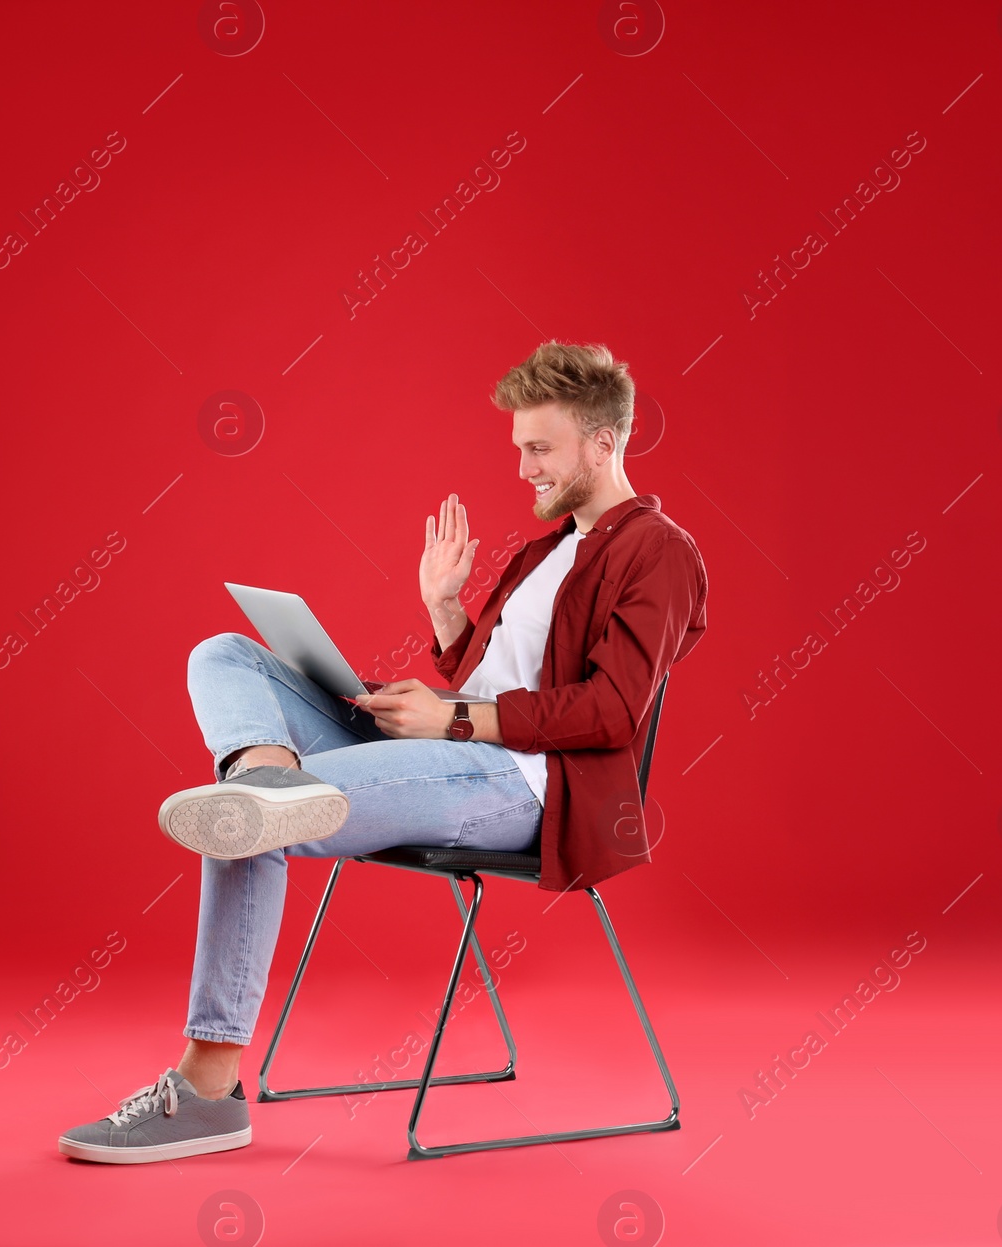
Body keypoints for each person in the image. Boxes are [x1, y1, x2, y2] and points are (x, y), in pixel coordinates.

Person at [57, 341, 708, 1163]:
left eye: (539, 449)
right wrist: (444, 613)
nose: (524, 470)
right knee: (225, 653)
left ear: (604, 443)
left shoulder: (659, 551)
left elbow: (612, 712)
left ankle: (207, 1089)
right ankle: (268, 773)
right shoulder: (547, 552)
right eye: (518, 450)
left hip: (525, 788)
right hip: (460, 748)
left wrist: (455, 721)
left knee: (252, 819)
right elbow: (495, 678)